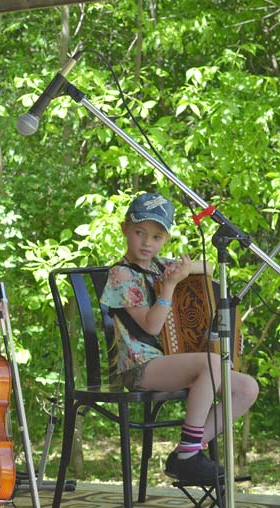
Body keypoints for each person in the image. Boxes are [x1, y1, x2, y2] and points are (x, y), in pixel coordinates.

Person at [99, 192, 259, 485]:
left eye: (157, 237)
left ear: (166, 239)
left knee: (247, 388)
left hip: (167, 362)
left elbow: (209, 268)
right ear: (124, 229)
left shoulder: (159, 266)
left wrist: (184, 269)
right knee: (212, 363)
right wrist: (170, 286)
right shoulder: (121, 275)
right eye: (139, 233)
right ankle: (189, 456)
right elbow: (151, 327)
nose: (147, 243)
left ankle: (187, 450)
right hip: (138, 367)